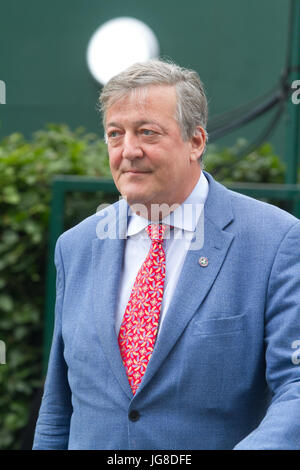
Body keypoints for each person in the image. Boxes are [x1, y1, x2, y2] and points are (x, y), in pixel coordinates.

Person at [33, 59, 300, 450]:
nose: (129, 151)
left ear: (196, 141)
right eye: (114, 134)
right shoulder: (76, 247)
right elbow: (58, 407)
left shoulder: (275, 241)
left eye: (147, 132)